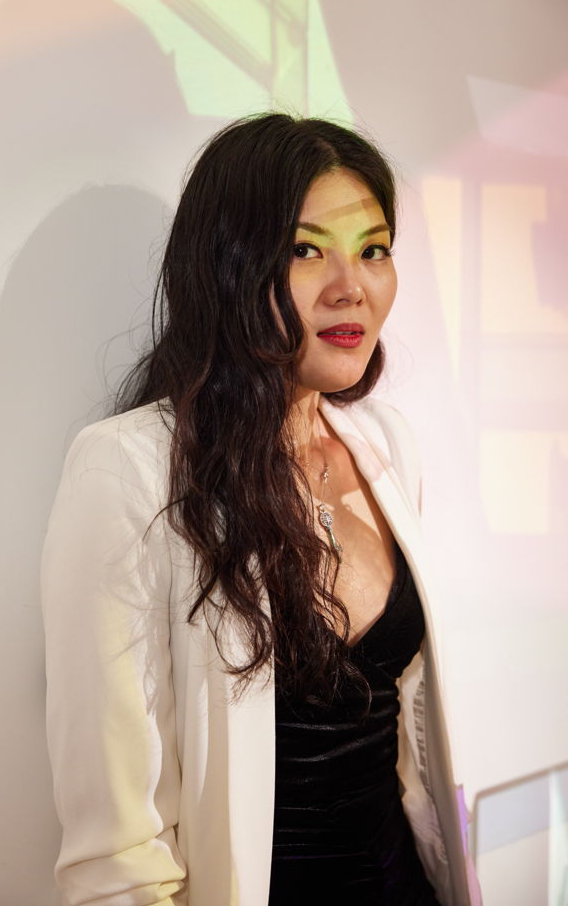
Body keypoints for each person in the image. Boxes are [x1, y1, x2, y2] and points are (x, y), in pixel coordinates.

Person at [41, 113, 482, 905]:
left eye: (373, 249)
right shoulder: (128, 472)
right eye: (306, 250)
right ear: (228, 267)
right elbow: (117, 853)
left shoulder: (384, 442)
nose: (351, 286)